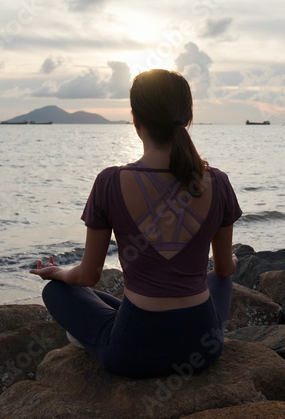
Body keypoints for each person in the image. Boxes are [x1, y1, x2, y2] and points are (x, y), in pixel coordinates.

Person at [30, 68, 241, 379]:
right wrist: (231, 261)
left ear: (135, 120)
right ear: (188, 118)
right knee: (219, 280)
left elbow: (88, 275)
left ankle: (94, 336)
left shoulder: (110, 182)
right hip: (203, 349)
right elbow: (223, 271)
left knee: (57, 292)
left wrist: (58, 272)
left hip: (132, 354)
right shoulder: (219, 182)